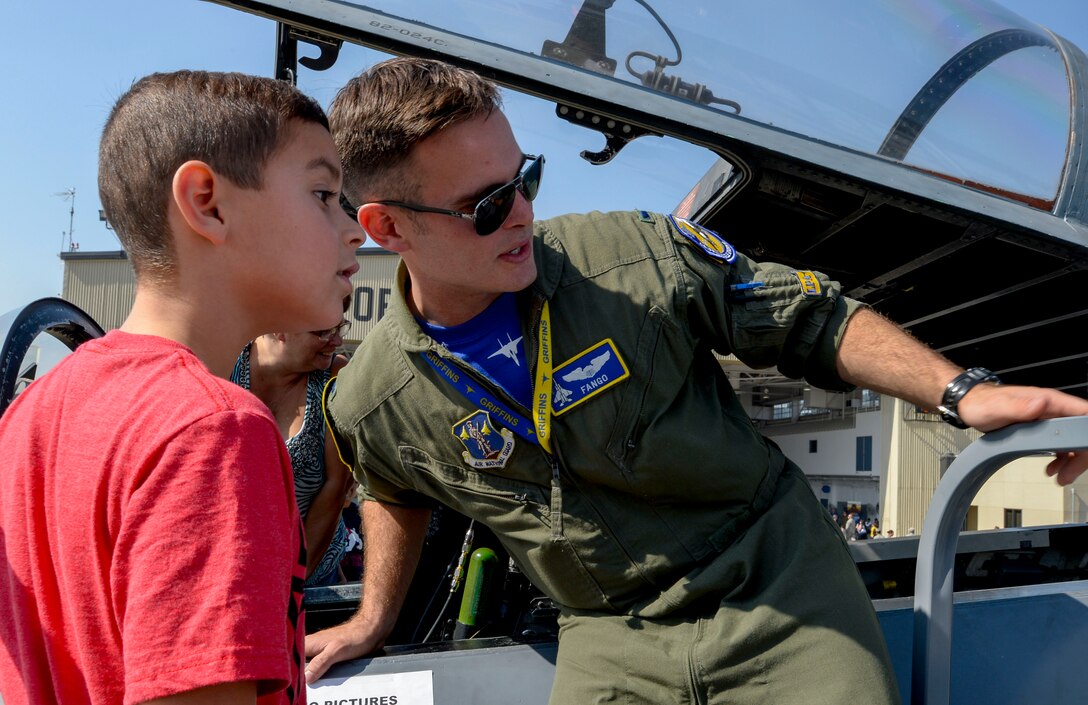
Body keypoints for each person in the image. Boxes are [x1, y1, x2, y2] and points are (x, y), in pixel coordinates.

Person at [304, 57, 1088, 703]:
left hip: (773, 583)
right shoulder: (373, 399)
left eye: (527, 178)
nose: (523, 215)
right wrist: (375, 616)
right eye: (487, 205)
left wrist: (962, 393)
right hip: (609, 630)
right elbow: (392, 490)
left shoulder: (632, 260)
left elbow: (807, 317)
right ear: (387, 227)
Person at [0, 70, 364, 705]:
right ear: (207, 202)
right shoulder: (216, 429)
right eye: (324, 194)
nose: (354, 228)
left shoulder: (29, 414)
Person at [232, 320, 355, 587]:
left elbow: (336, 488)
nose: (336, 342)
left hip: (309, 577)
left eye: (340, 328)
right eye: (323, 332)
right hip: (231, 577)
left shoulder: (336, 376)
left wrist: (290, 584)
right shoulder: (224, 363)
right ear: (279, 326)